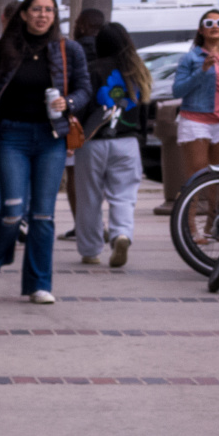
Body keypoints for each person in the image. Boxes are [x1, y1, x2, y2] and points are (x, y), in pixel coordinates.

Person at [0, 0, 88, 303]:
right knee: (12, 211)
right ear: (23, 14)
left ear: (55, 16)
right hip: (13, 137)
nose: (42, 15)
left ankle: (39, 284)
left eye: (48, 10)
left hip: (51, 139)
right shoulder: (5, 49)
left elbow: (85, 89)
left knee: (43, 215)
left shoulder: (68, 50)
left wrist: (69, 102)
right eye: (36, 9)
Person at [74, 22, 153, 268]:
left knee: (89, 198)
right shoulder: (138, 71)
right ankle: (121, 234)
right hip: (127, 142)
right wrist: (140, 138)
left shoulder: (91, 69)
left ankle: (90, 251)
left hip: (93, 142)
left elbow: (82, 105)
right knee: (124, 196)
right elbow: (144, 111)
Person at [170, 7, 219, 182]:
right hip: (195, 120)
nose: (215, 26)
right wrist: (202, 70)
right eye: (209, 23)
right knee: (198, 173)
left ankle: (218, 202)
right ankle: (192, 201)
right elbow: (177, 91)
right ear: (201, 30)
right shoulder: (191, 58)